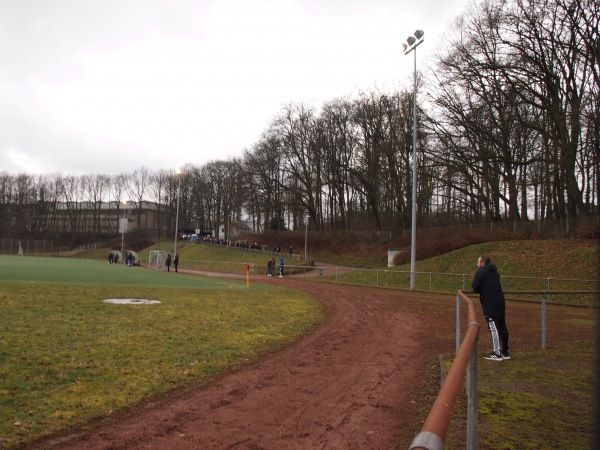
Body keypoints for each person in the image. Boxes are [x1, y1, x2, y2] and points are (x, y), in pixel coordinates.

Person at [472, 255, 510, 361]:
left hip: (490, 303)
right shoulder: (495, 272)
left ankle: (497, 353)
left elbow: (475, 286)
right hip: (500, 301)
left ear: (483, 263)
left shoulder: (482, 272)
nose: (477, 264)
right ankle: (505, 352)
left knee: (493, 327)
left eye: (478, 262)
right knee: (502, 325)